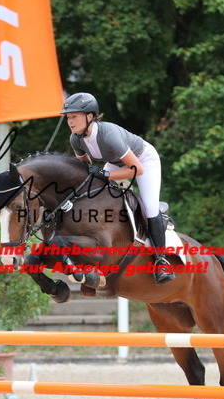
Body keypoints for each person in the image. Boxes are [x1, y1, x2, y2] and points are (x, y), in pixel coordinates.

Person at [60, 92, 174, 285]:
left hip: (144, 160)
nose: (70, 122)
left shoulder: (108, 135)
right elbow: (85, 170)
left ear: (90, 116)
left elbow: (136, 169)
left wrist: (106, 175)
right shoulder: (76, 139)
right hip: (116, 162)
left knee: (149, 207)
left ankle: (161, 261)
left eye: (74, 116)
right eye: (68, 117)